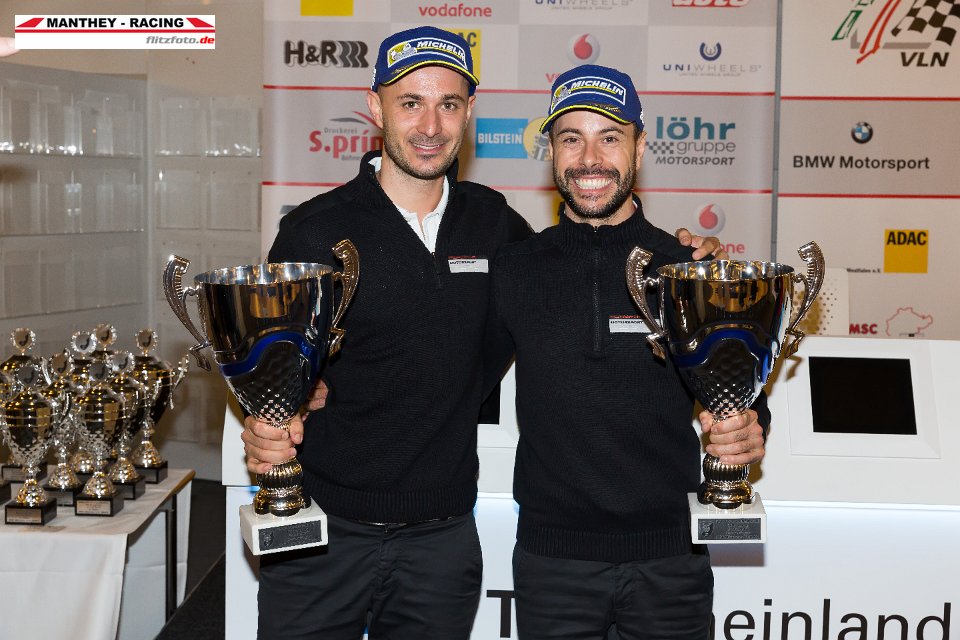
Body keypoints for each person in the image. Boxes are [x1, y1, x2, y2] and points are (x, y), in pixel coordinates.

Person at [242, 29, 723, 637]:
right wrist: (273, 414)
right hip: (322, 525)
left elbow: (579, 274)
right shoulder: (313, 230)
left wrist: (699, 271)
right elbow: (267, 371)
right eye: (410, 102)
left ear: (469, 113)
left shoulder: (497, 229)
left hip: (441, 539)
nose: (430, 125)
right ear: (375, 108)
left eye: (448, 104)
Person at [488, 64, 769, 639]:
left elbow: (735, 389)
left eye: (610, 138)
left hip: (671, 560)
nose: (589, 159)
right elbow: (451, 371)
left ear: (639, 148)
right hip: (552, 562)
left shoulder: (687, 268)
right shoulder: (514, 268)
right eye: (571, 139)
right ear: (551, 151)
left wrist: (747, 427)